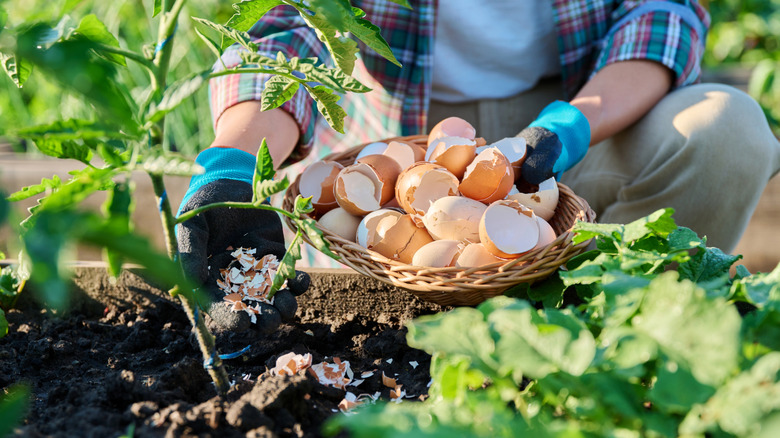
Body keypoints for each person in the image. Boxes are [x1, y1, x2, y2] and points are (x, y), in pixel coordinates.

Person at [176, 1, 780, 332]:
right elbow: (290, 27)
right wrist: (234, 160)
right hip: (397, 142)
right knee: (389, 251)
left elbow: (663, 12)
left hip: (582, 110)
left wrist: (569, 126)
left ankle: (633, 345)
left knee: (727, 131)